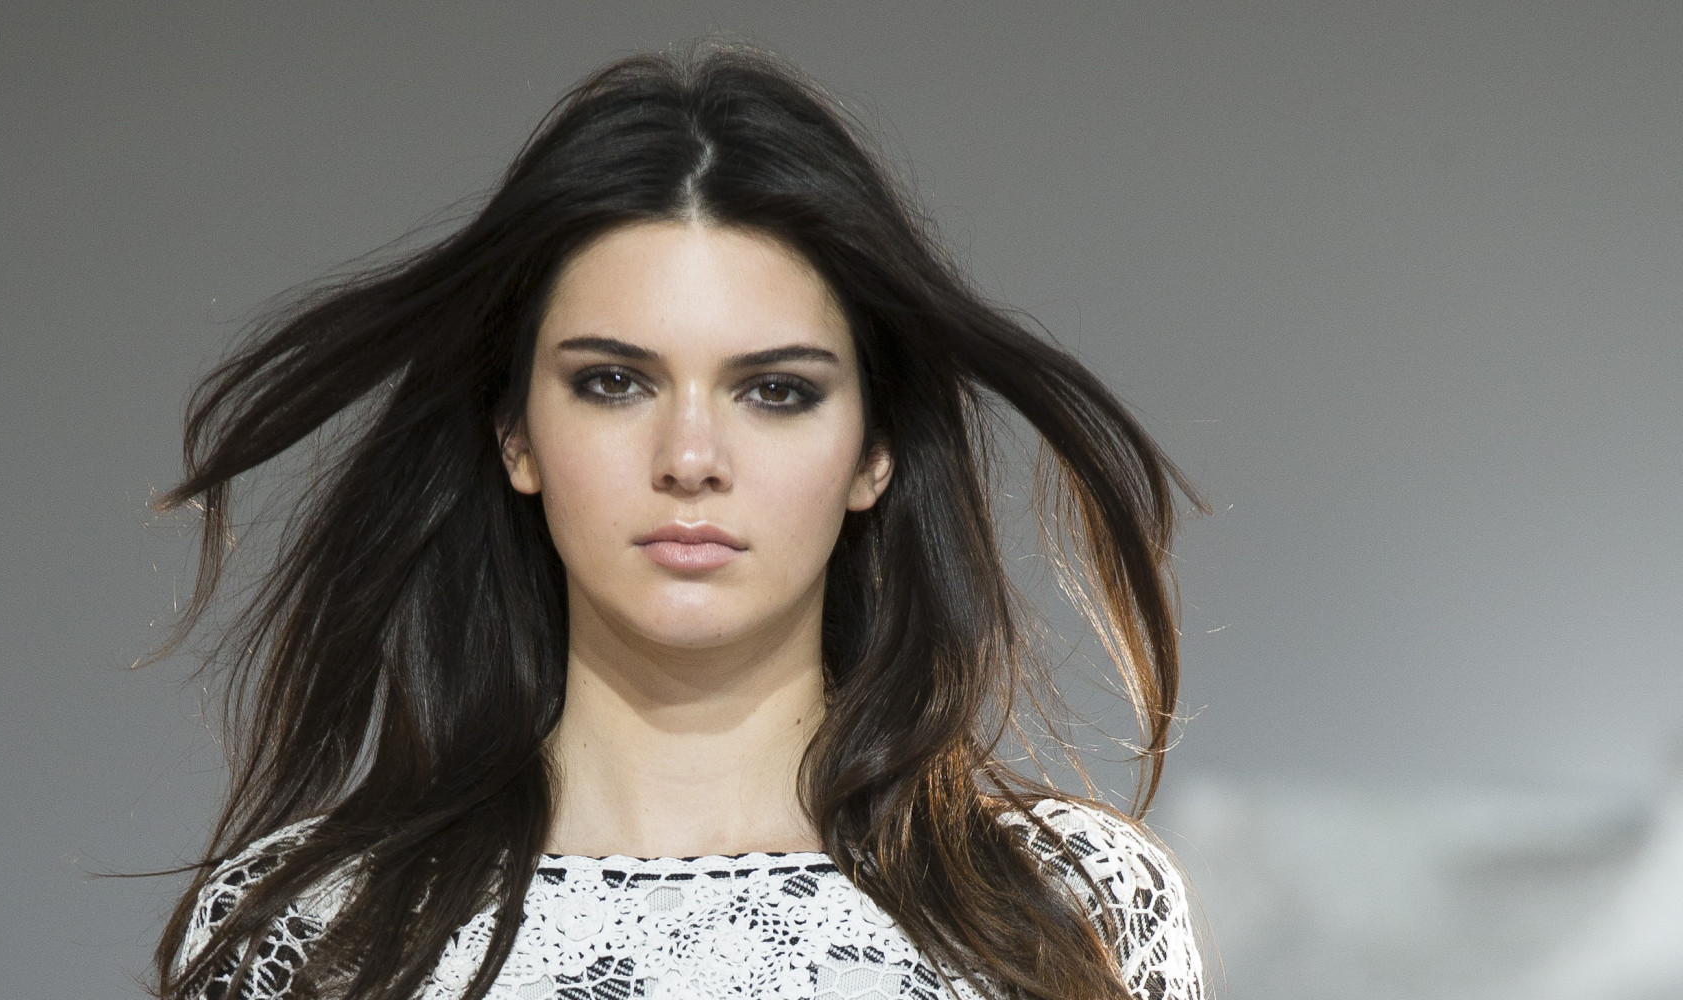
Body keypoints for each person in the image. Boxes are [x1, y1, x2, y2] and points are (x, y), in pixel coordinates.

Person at [148, 38, 1206, 1000]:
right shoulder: (308, 936)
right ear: (515, 434)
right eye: (613, 382)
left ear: (874, 450)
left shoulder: (1075, 912)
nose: (690, 459)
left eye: (776, 390)